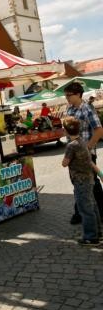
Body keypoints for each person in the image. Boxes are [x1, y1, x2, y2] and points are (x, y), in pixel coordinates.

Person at [64, 81, 103, 223]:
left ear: (78, 94)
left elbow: (99, 130)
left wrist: (87, 148)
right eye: (66, 95)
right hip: (73, 155)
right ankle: (80, 212)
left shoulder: (86, 108)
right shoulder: (70, 109)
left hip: (86, 154)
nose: (67, 97)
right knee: (77, 183)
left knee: (93, 184)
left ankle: (99, 212)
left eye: (69, 95)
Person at [62, 116, 102, 245]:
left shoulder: (71, 146)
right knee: (93, 206)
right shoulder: (83, 142)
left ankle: (91, 237)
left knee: (85, 209)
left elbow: (65, 163)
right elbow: (89, 161)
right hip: (89, 178)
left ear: (66, 131)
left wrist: (64, 160)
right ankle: (98, 232)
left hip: (80, 181)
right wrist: (100, 173)